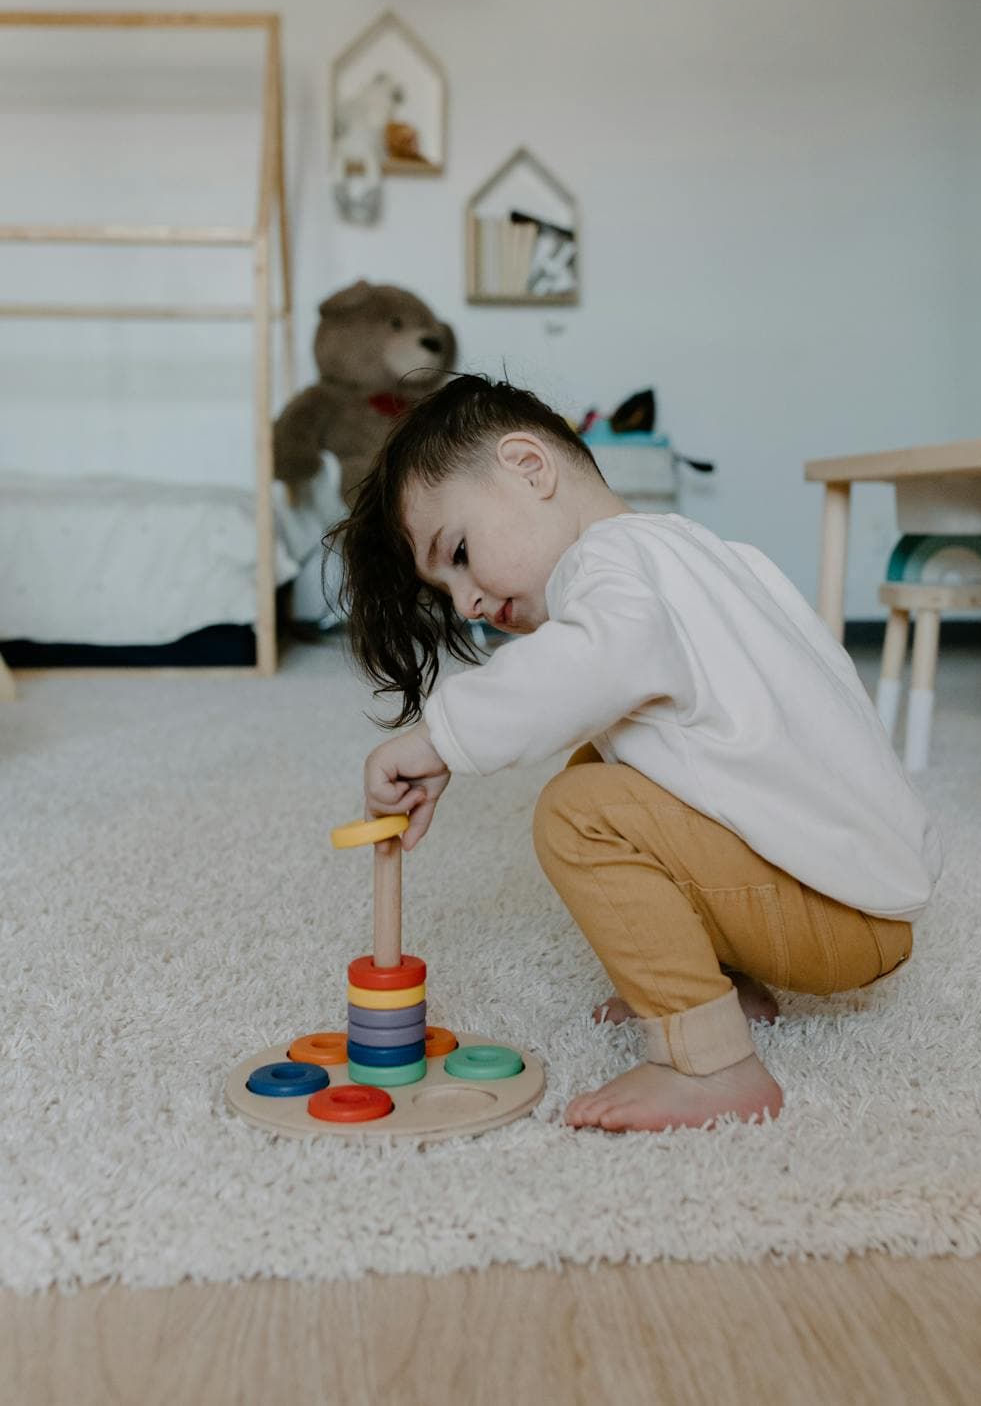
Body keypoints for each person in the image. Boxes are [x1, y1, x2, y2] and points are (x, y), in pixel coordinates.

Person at [331, 374, 942, 1133]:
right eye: (444, 592)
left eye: (458, 553)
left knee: (580, 814)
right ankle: (723, 984)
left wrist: (441, 739)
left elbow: (589, 663)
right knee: (611, 760)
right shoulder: (702, 554)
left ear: (530, 466)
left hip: (838, 912)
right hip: (858, 886)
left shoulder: (611, 564)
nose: (468, 605)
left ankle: (711, 1063)